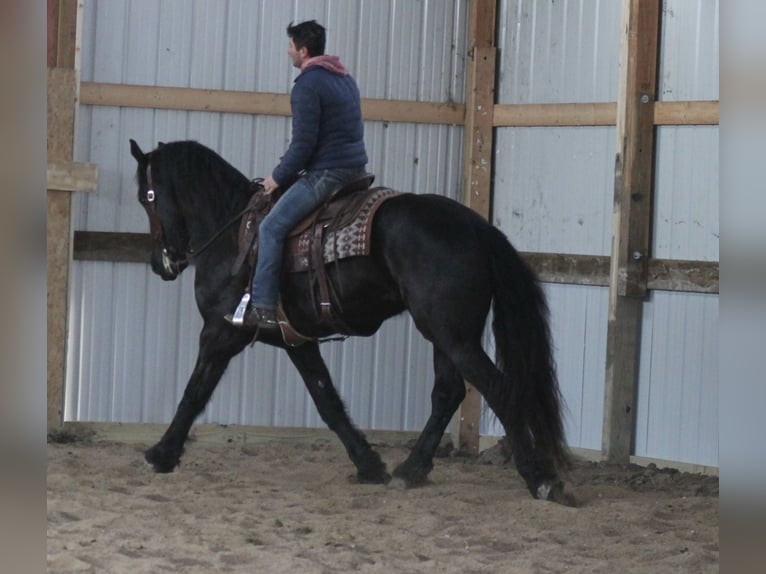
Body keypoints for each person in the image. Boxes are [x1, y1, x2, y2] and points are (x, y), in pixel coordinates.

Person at [227, 20, 368, 330]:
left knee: (271, 227)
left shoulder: (307, 85)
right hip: (355, 169)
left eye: (291, 46)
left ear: (303, 51)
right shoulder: (344, 79)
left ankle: (263, 306)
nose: (288, 51)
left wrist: (276, 177)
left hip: (328, 173)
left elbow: (303, 144)